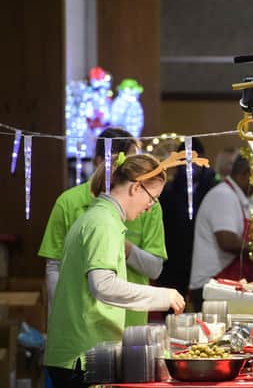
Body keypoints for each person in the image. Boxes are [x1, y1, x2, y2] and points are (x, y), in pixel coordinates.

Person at [44, 153, 185, 388]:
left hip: (79, 352)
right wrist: (164, 296)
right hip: (81, 355)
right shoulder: (103, 222)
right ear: (136, 188)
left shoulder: (99, 216)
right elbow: (104, 285)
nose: (150, 208)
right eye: (152, 198)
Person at [38, 127, 167, 327]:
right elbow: (103, 285)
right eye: (128, 163)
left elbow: (154, 268)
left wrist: (127, 249)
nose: (150, 206)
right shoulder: (97, 216)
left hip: (127, 322)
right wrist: (61, 314)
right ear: (101, 161)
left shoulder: (129, 210)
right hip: (85, 323)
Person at [189, 154, 253, 311]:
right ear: (246, 175)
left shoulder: (237, 197)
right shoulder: (224, 195)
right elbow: (227, 241)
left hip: (223, 283)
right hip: (211, 286)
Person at [156, 138, 217, 299]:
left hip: (204, 259)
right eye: (184, 161)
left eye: (193, 160)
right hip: (175, 261)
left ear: (202, 158)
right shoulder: (168, 192)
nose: (189, 166)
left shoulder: (213, 189)